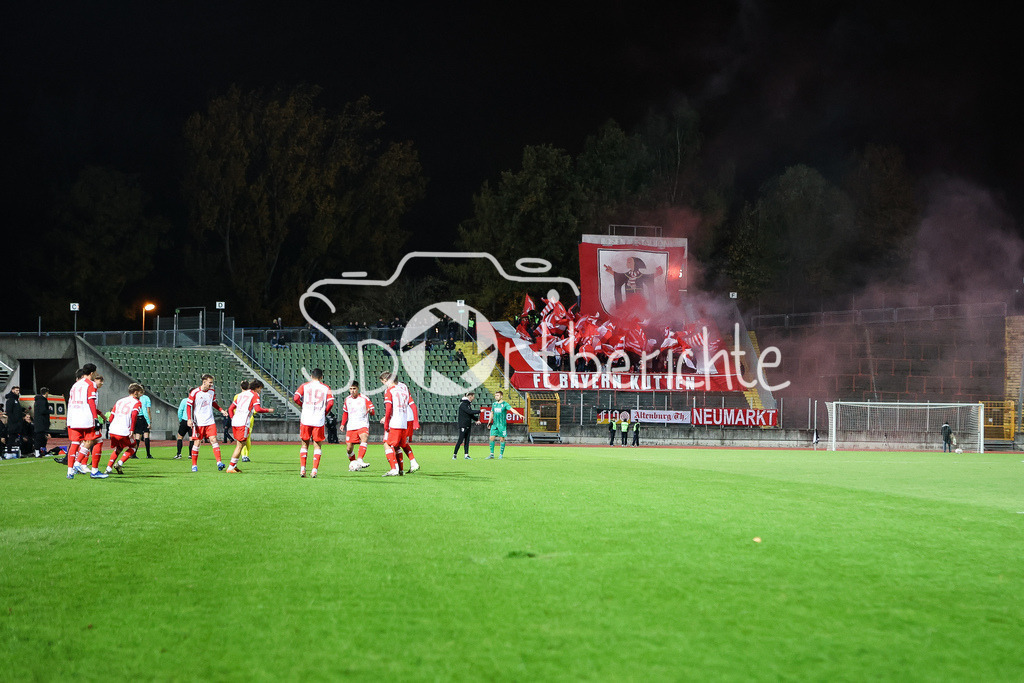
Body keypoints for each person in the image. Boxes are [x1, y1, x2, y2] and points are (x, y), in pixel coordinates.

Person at [65, 365, 108, 479]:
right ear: (92, 373)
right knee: (98, 441)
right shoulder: (90, 384)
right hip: (86, 418)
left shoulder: (75, 385)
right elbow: (91, 401)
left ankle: (70, 471)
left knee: (75, 443)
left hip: (73, 418)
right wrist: (95, 418)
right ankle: (92, 470)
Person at [226, 379, 274, 472]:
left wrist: (232, 418)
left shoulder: (241, 395)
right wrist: (268, 410)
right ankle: (231, 467)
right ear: (256, 388)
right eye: (260, 389)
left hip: (236, 421)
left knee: (240, 444)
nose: (260, 391)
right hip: (243, 422)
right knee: (240, 445)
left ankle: (234, 465)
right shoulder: (254, 395)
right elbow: (258, 409)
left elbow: (230, 408)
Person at [293, 368, 333, 478]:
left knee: (304, 444)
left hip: (306, 418)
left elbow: (296, 398)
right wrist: (324, 412)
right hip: (318, 419)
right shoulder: (326, 388)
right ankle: (314, 470)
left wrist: (303, 405)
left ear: (311, 376)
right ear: (321, 377)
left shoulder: (304, 386)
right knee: (317, 445)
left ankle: (302, 469)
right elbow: (330, 403)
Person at [186, 374, 229, 472]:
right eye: (210, 382)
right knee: (197, 442)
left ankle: (219, 462)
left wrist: (221, 410)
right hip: (199, 422)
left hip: (210, 421)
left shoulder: (212, 391)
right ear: (204, 382)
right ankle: (194, 465)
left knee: (213, 439)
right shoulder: (195, 392)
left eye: (212, 382)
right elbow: (188, 405)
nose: (211, 384)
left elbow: (213, 403)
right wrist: (189, 419)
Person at [379, 371, 415, 476]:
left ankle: (393, 469)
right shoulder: (404, 390)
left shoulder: (390, 391)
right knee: (398, 446)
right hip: (404, 422)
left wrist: (386, 422)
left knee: (387, 443)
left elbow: (389, 408)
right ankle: (400, 470)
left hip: (395, 422)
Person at [104, 383, 144, 474]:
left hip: (113, 429)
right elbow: (134, 415)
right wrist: (132, 429)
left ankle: (108, 468)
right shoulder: (137, 402)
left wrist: (112, 426)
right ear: (136, 392)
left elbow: (111, 417)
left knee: (119, 447)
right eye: (140, 393)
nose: (141, 395)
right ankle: (119, 463)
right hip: (124, 430)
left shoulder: (120, 401)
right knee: (134, 446)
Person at [342, 382, 374, 471]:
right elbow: (345, 412)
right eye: (351, 389)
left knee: (364, 438)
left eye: (354, 389)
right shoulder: (347, 399)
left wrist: (370, 411)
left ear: (358, 389)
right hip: (351, 425)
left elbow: (372, 411)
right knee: (349, 448)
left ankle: (360, 459)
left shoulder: (364, 398)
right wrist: (342, 424)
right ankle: (354, 464)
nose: (352, 391)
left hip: (362, 424)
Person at [453, 391, 480, 459]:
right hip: (463, 425)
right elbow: (469, 412)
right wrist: (479, 411)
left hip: (468, 424)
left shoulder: (467, 404)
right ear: (470, 397)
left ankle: (466, 455)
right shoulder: (463, 404)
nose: (473, 398)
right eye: (473, 397)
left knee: (467, 440)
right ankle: (454, 454)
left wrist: (476, 419)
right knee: (460, 440)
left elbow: (470, 414)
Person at [487, 390, 511, 459]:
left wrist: (519, 414)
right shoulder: (494, 404)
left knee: (502, 439)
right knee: (491, 438)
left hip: (502, 425)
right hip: (494, 424)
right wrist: (489, 422)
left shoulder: (505, 404)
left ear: (501, 396)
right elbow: (492, 413)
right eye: (495, 395)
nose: (496, 397)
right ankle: (491, 454)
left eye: (497, 395)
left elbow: (512, 409)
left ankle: (501, 454)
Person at [132, 387, 153, 458]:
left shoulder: (133, 398)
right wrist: (149, 421)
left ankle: (133, 453)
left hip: (135, 417)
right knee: (145, 435)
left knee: (136, 435)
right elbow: (147, 410)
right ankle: (148, 454)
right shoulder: (146, 398)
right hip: (143, 418)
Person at [4, 386, 23, 457]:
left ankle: (17, 452)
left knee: (15, 437)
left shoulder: (16, 400)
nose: (18, 392)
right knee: (11, 437)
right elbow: (9, 411)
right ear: (12, 390)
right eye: (16, 390)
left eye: (18, 390)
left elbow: (17, 411)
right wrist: (14, 420)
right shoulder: (10, 400)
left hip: (17, 423)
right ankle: (8, 452)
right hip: (13, 423)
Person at [33, 387, 50, 457]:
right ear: (46, 393)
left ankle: (41, 452)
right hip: (41, 423)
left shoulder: (38, 400)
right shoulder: (42, 401)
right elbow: (42, 411)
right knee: (39, 437)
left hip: (40, 422)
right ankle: (37, 452)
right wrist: (49, 411)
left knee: (42, 437)